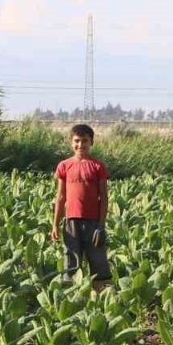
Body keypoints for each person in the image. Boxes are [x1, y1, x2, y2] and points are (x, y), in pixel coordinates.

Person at [52, 123, 111, 292]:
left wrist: (101, 226)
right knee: (71, 262)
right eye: (77, 141)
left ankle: (101, 298)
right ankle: (72, 300)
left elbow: (104, 197)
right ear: (71, 142)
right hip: (71, 221)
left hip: (93, 223)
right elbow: (60, 197)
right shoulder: (64, 165)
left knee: (98, 261)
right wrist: (55, 224)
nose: (80, 145)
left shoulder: (98, 166)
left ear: (91, 142)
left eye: (85, 141)